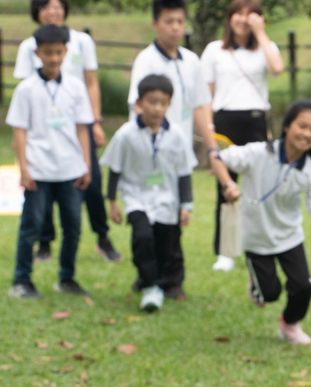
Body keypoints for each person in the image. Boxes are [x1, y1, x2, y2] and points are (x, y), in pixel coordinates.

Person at [210, 99, 311, 344]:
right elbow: (217, 158)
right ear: (287, 126)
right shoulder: (258, 153)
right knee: (269, 294)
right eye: (302, 126)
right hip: (255, 239)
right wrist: (228, 184)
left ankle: (289, 325)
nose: (307, 133)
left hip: (289, 238)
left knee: (304, 286)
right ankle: (257, 286)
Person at [14, 0, 120, 263]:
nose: (53, 12)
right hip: (43, 130)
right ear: (37, 12)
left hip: (78, 124)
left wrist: (95, 121)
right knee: (43, 188)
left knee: (91, 181)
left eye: (58, 6)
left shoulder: (82, 42)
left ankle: (102, 237)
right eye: (46, 7)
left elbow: (91, 83)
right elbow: (27, 92)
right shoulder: (28, 46)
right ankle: (45, 242)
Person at [127, 0, 217, 299]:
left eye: (180, 21)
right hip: (150, 155)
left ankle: (173, 279)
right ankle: (147, 275)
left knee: (175, 217)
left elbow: (200, 105)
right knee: (146, 220)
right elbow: (136, 107)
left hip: (178, 154)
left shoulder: (191, 61)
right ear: (155, 24)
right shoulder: (146, 60)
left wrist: (211, 147)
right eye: (169, 21)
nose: (175, 28)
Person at [6, 25, 93, 298]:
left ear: (65, 52)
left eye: (58, 52)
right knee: (31, 227)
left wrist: (86, 165)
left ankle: (67, 277)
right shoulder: (26, 89)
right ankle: (21, 280)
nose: (53, 58)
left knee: (73, 227)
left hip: (70, 169)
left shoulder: (76, 87)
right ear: (37, 53)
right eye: (48, 53)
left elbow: (82, 128)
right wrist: (24, 168)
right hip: (39, 170)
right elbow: (19, 131)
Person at [200, 0, 283, 272]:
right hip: (224, 120)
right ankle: (226, 251)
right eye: (238, 13)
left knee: (259, 186)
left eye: (250, 14)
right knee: (226, 187)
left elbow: (277, 68)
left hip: (256, 120)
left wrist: (260, 33)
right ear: (229, 17)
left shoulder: (265, 47)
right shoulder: (215, 50)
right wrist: (208, 127)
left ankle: (258, 248)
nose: (243, 19)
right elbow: (206, 93)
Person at [102, 74, 196, 312]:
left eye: (163, 103)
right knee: (142, 238)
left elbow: (184, 172)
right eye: (152, 102)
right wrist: (112, 201)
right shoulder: (125, 134)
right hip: (136, 196)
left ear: (169, 105)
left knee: (168, 242)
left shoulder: (176, 135)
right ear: (139, 103)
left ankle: (171, 282)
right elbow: (115, 168)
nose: (157, 108)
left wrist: (186, 205)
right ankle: (150, 283)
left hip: (167, 197)